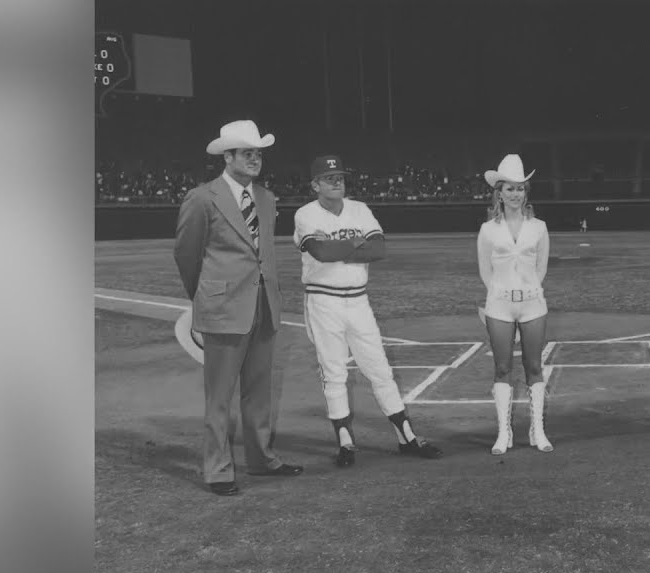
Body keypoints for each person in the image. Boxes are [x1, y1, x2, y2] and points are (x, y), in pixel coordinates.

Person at [173, 120, 304, 496]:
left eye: (258, 154)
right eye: (247, 153)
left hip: (264, 305)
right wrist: (205, 295)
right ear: (227, 156)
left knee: (259, 390)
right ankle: (217, 469)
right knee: (219, 395)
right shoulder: (202, 197)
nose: (255, 159)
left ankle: (261, 459)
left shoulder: (266, 198)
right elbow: (186, 253)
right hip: (223, 308)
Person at [293, 154, 443, 467]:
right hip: (323, 302)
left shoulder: (359, 208)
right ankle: (345, 443)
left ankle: (406, 437)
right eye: (330, 178)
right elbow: (319, 251)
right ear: (315, 184)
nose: (337, 182)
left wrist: (341, 248)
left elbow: (379, 249)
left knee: (379, 368)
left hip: (359, 301)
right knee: (334, 371)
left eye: (340, 178)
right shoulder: (305, 214)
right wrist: (356, 243)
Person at [477, 154, 553, 454]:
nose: (515, 193)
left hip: (533, 304)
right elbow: (485, 270)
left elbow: (542, 267)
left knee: (534, 365)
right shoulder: (487, 230)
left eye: (520, 188)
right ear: (499, 192)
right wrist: (501, 293)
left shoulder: (539, 227)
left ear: (526, 192)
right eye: (509, 188)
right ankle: (503, 433)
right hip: (499, 306)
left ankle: (538, 430)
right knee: (502, 367)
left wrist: (528, 291)